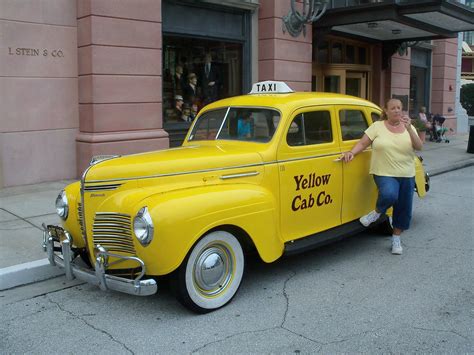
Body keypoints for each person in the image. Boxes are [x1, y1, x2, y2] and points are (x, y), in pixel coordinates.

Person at [341, 98, 423, 255]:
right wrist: (351, 152)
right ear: (386, 110)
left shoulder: (408, 126)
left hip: (406, 174)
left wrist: (410, 129)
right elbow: (363, 143)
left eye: (399, 108)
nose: (397, 110)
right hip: (383, 172)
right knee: (389, 194)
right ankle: (377, 212)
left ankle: (396, 239)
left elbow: (419, 147)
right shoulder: (377, 127)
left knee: (403, 209)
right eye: (393, 108)